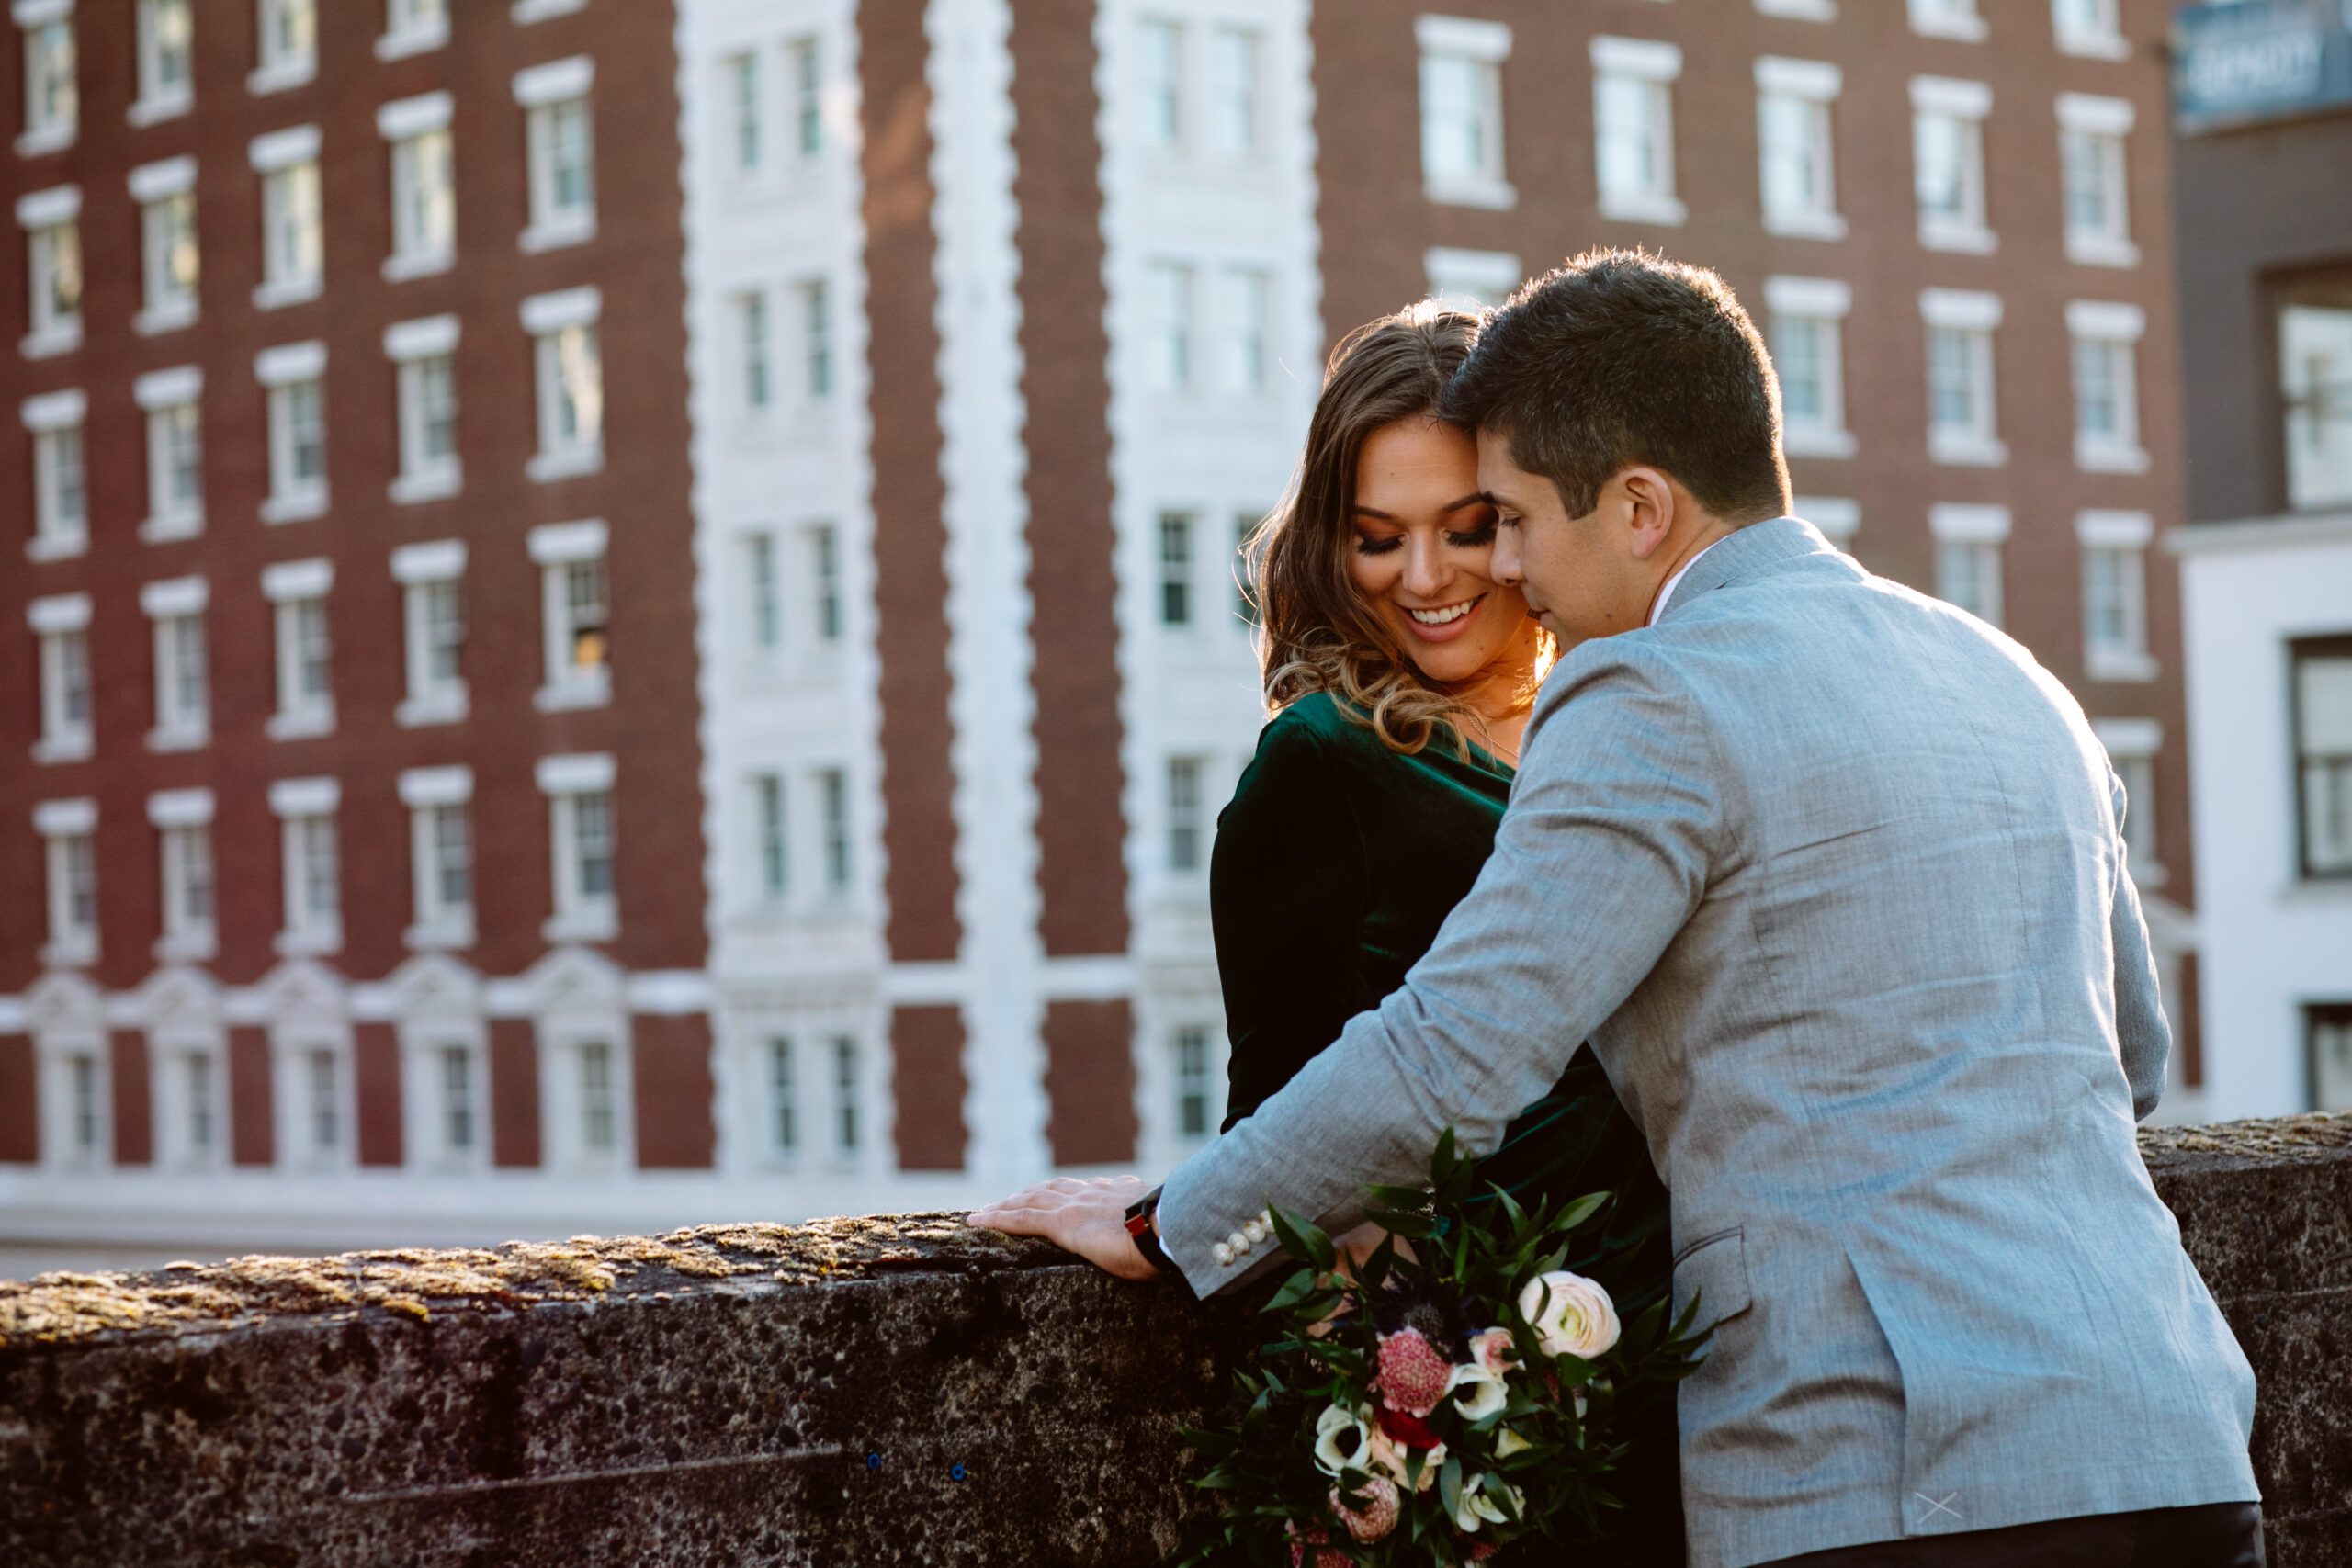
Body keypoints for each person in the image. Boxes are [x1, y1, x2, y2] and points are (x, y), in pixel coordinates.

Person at [970, 250, 2260, 1568]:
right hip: (2172, 1446)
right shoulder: (2011, 676)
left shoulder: (1647, 694)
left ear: (1639, 506)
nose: (1508, 563)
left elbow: (1450, 1057)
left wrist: (1165, 1224)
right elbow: (2130, 1058)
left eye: (1511, 517)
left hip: (1884, 1477)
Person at [1211, 303, 1682, 1561]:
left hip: (1706, 1391)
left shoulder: (1628, 724)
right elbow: (1279, 1138)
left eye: (1467, 528)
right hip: (1493, 1436)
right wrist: (1362, 1440)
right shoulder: (1320, 767)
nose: (1422, 580)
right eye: (1377, 539)